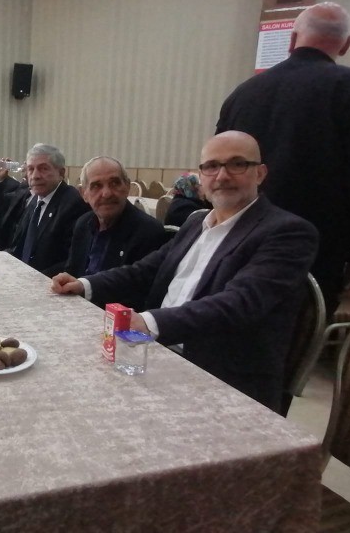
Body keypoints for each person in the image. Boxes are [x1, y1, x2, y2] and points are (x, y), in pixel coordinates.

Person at [52, 132, 319, 412]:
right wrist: (84, 284)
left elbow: (239, 303)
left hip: (220, 381)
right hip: (157, 355)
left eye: (237, 164)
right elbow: (144, 270)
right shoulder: (196, 223)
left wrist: (148, 322)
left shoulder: (287, 232)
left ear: (260, 173)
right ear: (201, 176)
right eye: (212, 166)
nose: (222, 175)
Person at [215, 2, 350, 314]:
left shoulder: (242, 94)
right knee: (298, 333)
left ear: (292, 40)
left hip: (239, 241)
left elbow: (217, 171)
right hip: (316, 250)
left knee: (235, 321)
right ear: (346, 45)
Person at [63, 156, 167, 307]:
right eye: (96, 186)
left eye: (115, 183)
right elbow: (71, 272)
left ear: (127, 187)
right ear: (84, 193)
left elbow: (139, 296)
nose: (106, 193)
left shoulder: (148, 231)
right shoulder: (83, 224)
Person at [7, 143, 89, 276]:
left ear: (61, 173)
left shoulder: (74, 203)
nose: (35, 176)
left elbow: (73, 260)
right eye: (30, 169)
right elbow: (19, 245)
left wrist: (34, 278)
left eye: (43, 169)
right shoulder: (35, 199)